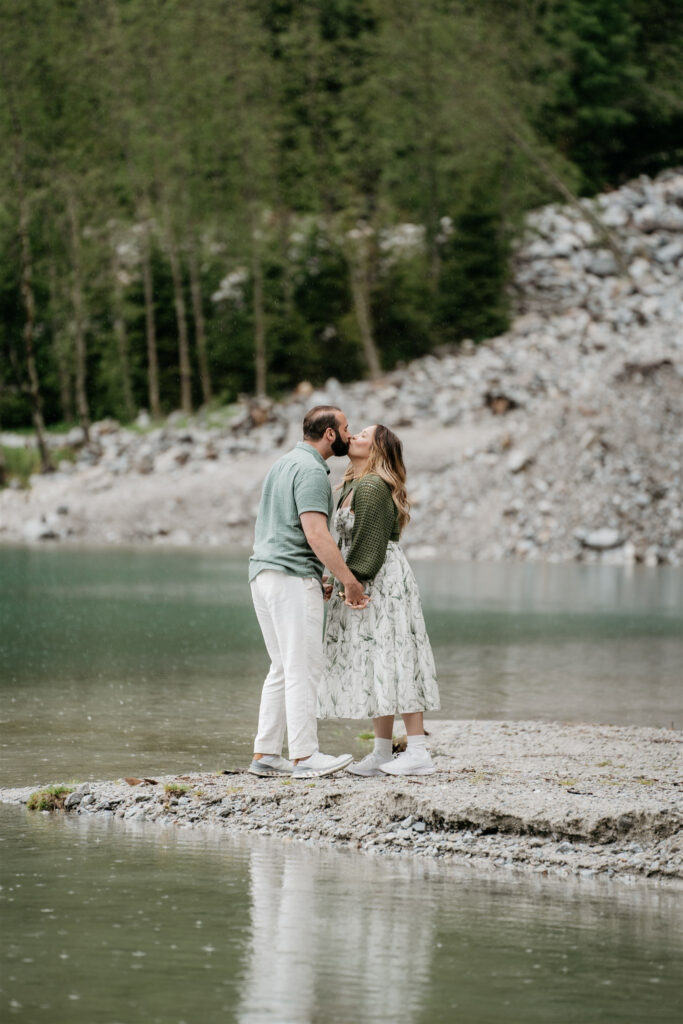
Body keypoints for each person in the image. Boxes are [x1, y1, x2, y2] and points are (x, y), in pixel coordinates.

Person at [248, 406, 369, 781]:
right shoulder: (313, 471)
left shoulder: (283, 464)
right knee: (304, 667)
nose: (350, 436)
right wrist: (348, 579)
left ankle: (267, 754)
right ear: (330, 434)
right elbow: (316, 534)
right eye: (347, 429)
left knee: (282, 667)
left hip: (261, 575)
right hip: (290, 577)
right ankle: (304, 757)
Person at [318, 424, 440, 776]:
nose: (353, 435)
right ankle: (383, 752)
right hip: (371, 577)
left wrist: (348, 584)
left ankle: (417, 751)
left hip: (380, 582)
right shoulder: (354, 485)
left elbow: (368, 549)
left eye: (362, 435)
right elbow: (349, 545)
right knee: (379, 663)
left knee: (395, 656)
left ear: (377, 450)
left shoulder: (371, 486)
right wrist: (335, 577)